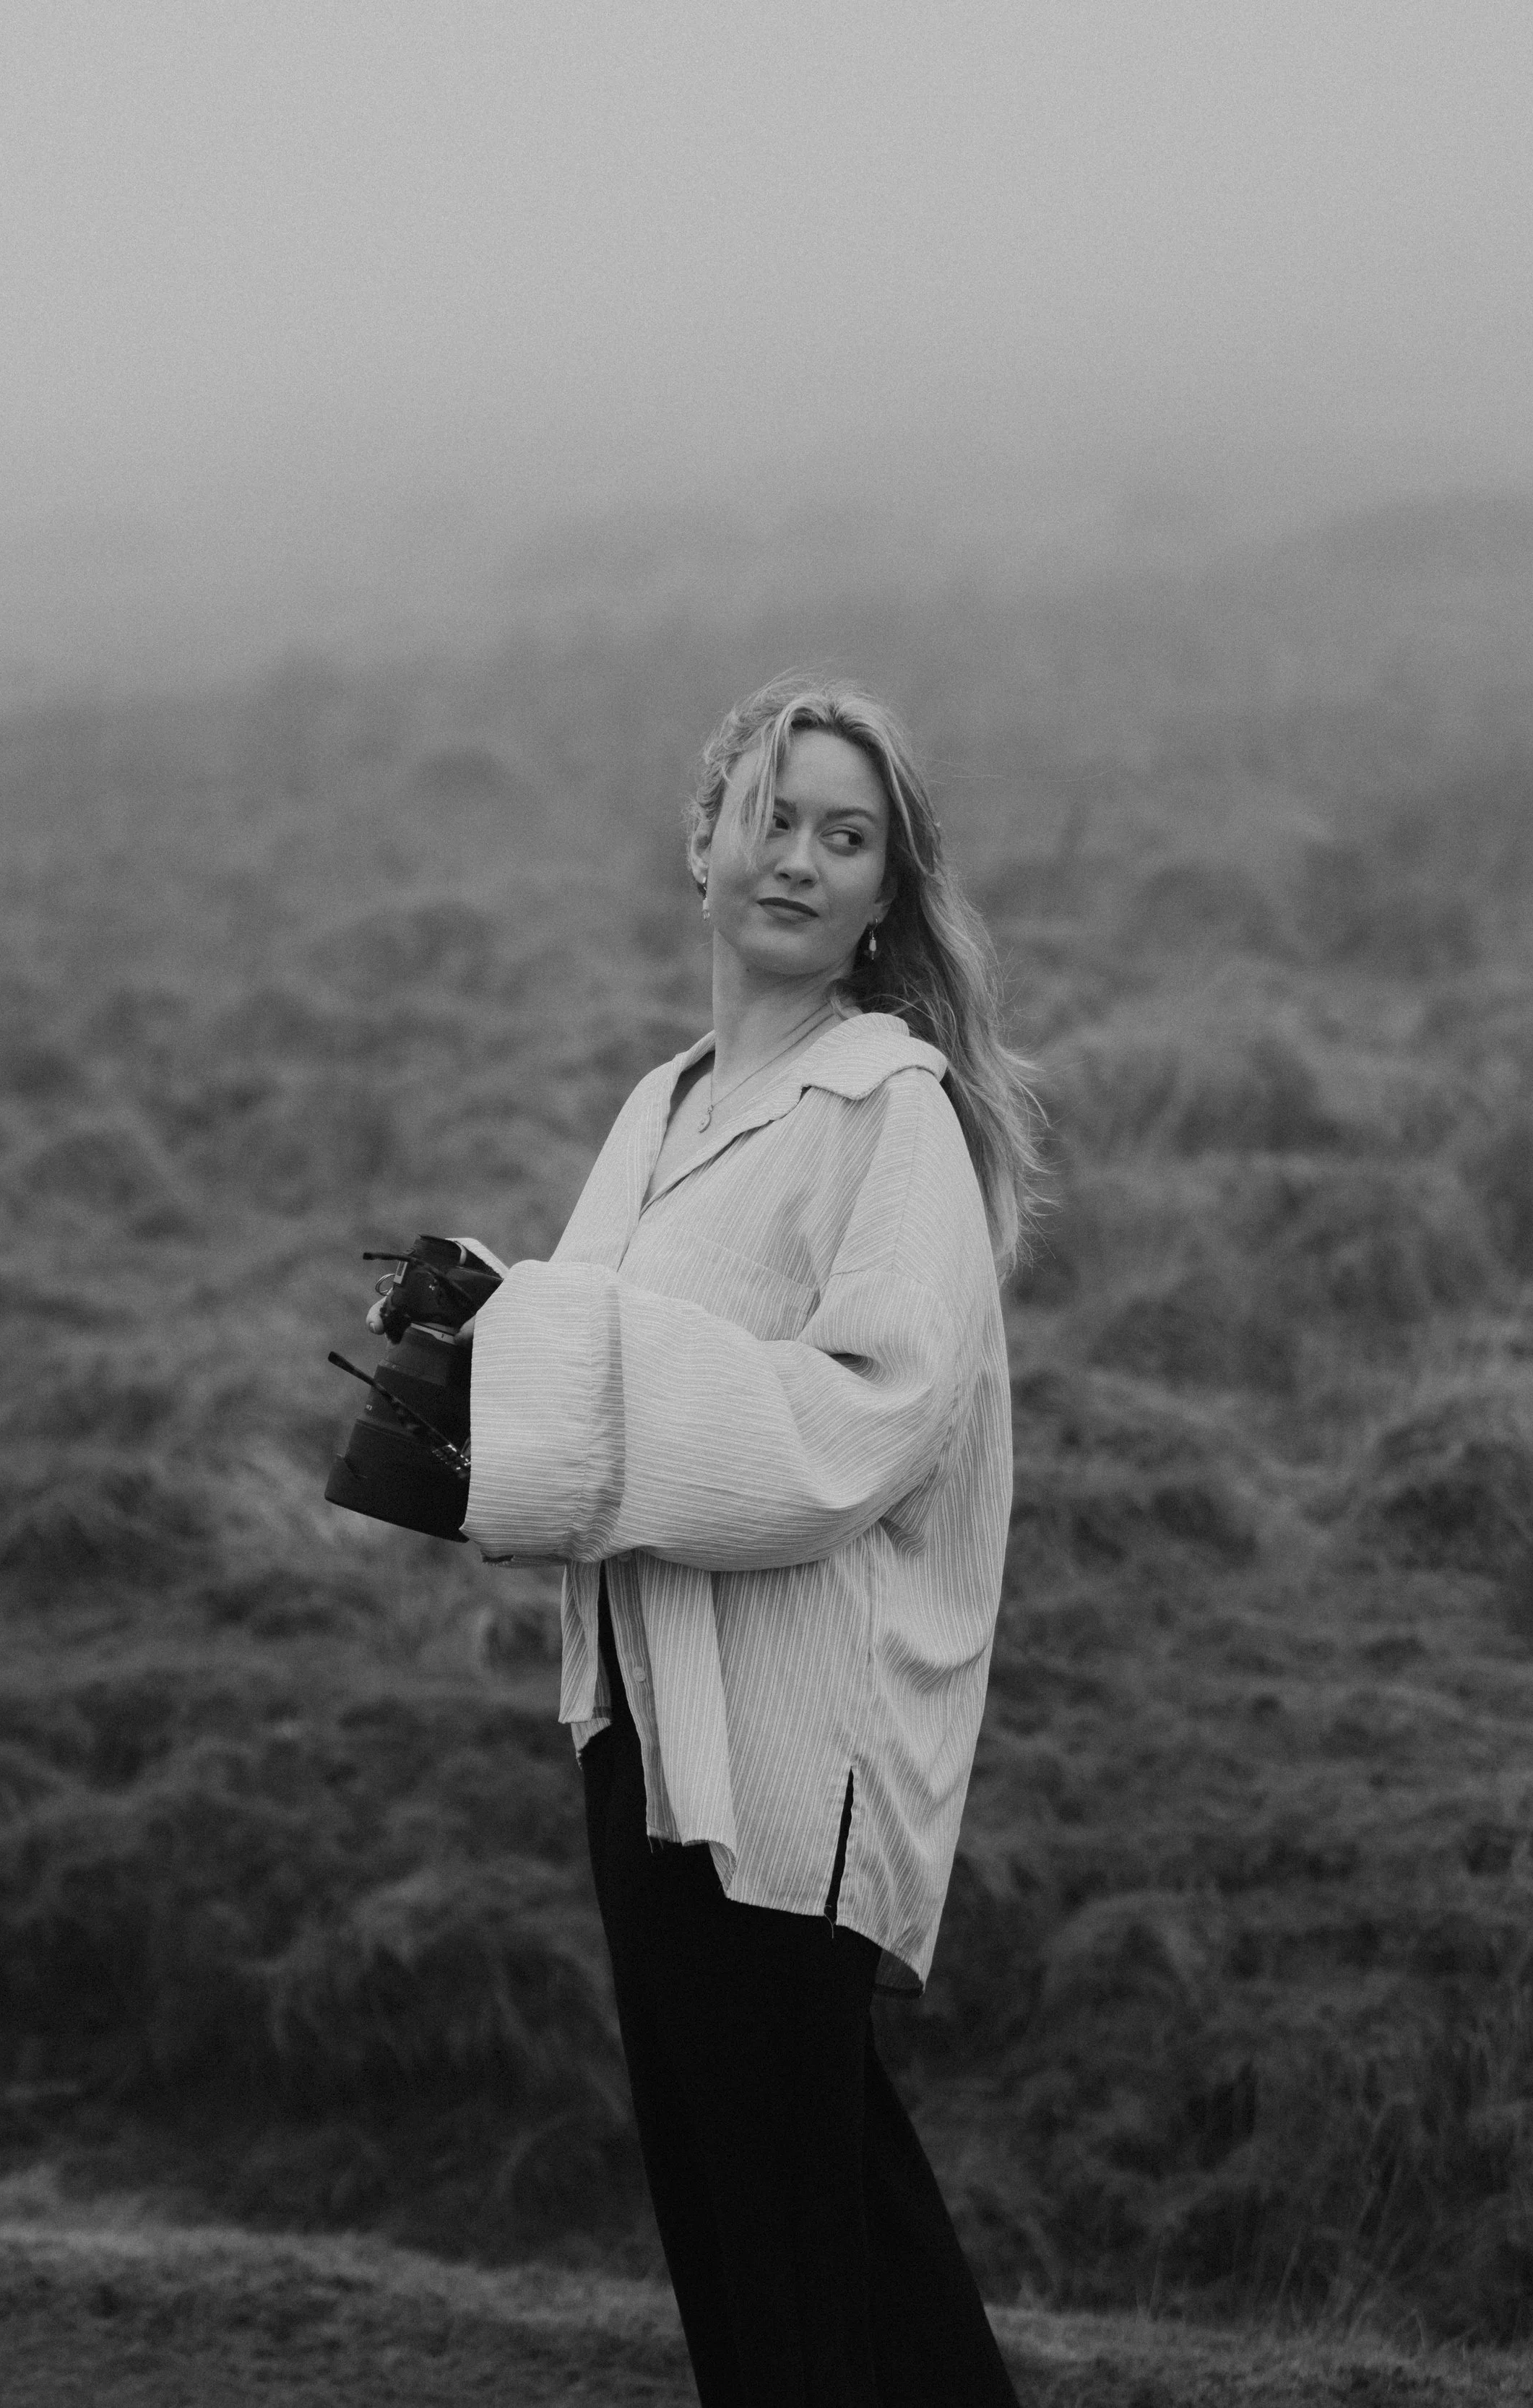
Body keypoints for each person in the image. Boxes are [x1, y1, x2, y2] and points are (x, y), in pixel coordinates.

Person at [462, 673, 1038, 2407]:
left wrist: (581, 1364)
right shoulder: (664, 1104)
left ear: (884, 891)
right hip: (642, 1722)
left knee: (787, 2239)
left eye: (842, 835)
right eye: (770, 817)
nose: (796, 857)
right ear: (701, 840)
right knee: (768, 2210)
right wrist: (480, 1352)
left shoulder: (888, 1113)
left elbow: (865, 1415)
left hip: (795, 1750)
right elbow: (583, 1376)